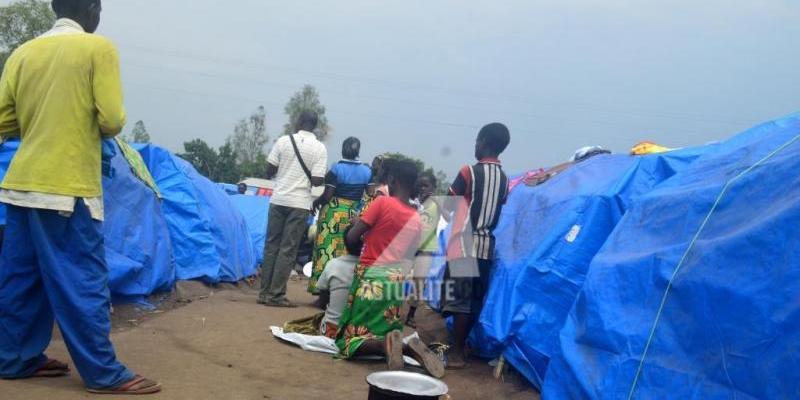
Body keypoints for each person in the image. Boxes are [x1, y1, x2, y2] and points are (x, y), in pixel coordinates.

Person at [0, 0, 161, 394]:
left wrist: (40, 119)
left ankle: (14, 359)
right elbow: (111, 119)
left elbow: (3, 120)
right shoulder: (97, 48)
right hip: (67, 188)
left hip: (20, 187)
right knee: (82, 279)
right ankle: (102, 373)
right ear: (91, 9)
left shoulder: (24, 52)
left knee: (22, 279)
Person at [336, 160, 444, 378]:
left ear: (393, 181)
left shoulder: (381, 204)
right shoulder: (416, 218)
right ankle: (407, 346)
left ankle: (387, 345)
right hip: (395, 281)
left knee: (348, 341)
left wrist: (356, 229)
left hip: (371, 275)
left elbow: (353, 236)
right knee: (384, 328)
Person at [441, 123, 511, 369]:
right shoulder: (504, 180)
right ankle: (462, 347)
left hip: (463, 244)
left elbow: (448, 206)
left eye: (476, 141)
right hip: (486, 247)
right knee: (473, 301)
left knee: (459, 299)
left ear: (483, 142)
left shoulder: (469, 172)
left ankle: (457, 352)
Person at [259, 110, 328, 307]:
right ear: (314, 125)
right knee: (288, 250)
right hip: (299, 204)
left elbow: (269, 169)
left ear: (299, 121)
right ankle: (276, 295)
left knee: (271, 245)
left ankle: (264, 293)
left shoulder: (282, 141)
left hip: (279, 198)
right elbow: (317, 181)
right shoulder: (320, 148)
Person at [307, 137, 371, 294]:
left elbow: (327, 196)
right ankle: (343, 291)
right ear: (358, 151)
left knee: (325, 251)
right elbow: (370, 194)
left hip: (332, 214)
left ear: (343, 149)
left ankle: (322, 291)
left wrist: (316, 203)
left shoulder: (335, 169)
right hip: (353, 214)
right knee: (346, 253)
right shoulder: (367, 171)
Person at [405, 172, 441, 328]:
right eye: (420, 185)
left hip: (427, 248)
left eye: (426, 185)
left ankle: (411, 314)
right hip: (409, 247)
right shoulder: (413, 202)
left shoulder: (437, 204)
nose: (423, 188)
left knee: (419, 283)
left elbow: (448, 217)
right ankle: (390, 310)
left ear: (434, 187)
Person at [315, 228, 360, 338]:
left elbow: (322, 301)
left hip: (331, 330)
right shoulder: (373, 269)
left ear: (344, 242)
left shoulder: (333, 264)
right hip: (360, 332)